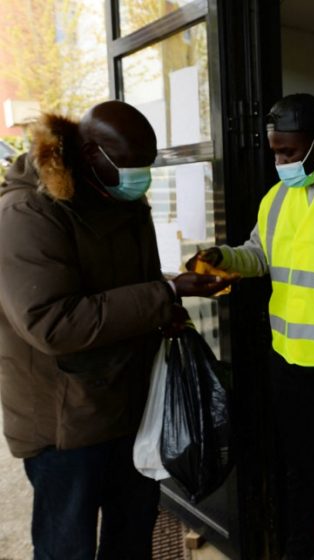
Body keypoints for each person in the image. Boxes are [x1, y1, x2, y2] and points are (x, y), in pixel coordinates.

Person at [0, 101, 230, 559]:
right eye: (131, 166)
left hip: (130, 405)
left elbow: (128, 287)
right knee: (69, 547)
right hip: (66, 422)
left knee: (132, 535)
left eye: (146, 165)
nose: (141, 177)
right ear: (90, 155)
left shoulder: (117, 196)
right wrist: (164, 295)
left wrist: (169, 299)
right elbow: (51, 323)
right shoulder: (26, 211)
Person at [192, 93, 314, 560]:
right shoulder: (275, 198)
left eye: (289, 153)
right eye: (275, 152)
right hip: (289, 361)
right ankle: (299, 549)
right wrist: (222, 258)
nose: (280, 162)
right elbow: (258, 255)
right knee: (298, 466)